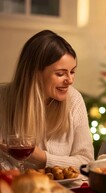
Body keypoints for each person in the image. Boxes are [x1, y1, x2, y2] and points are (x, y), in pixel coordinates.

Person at [0, 30, 94, 170]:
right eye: (60, 73)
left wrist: (42, 158)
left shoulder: (74, 100)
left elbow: (86, 163)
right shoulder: (3, 99)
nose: (70, 80)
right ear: (35, 73)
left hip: (63, 190)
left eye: (72, 71)